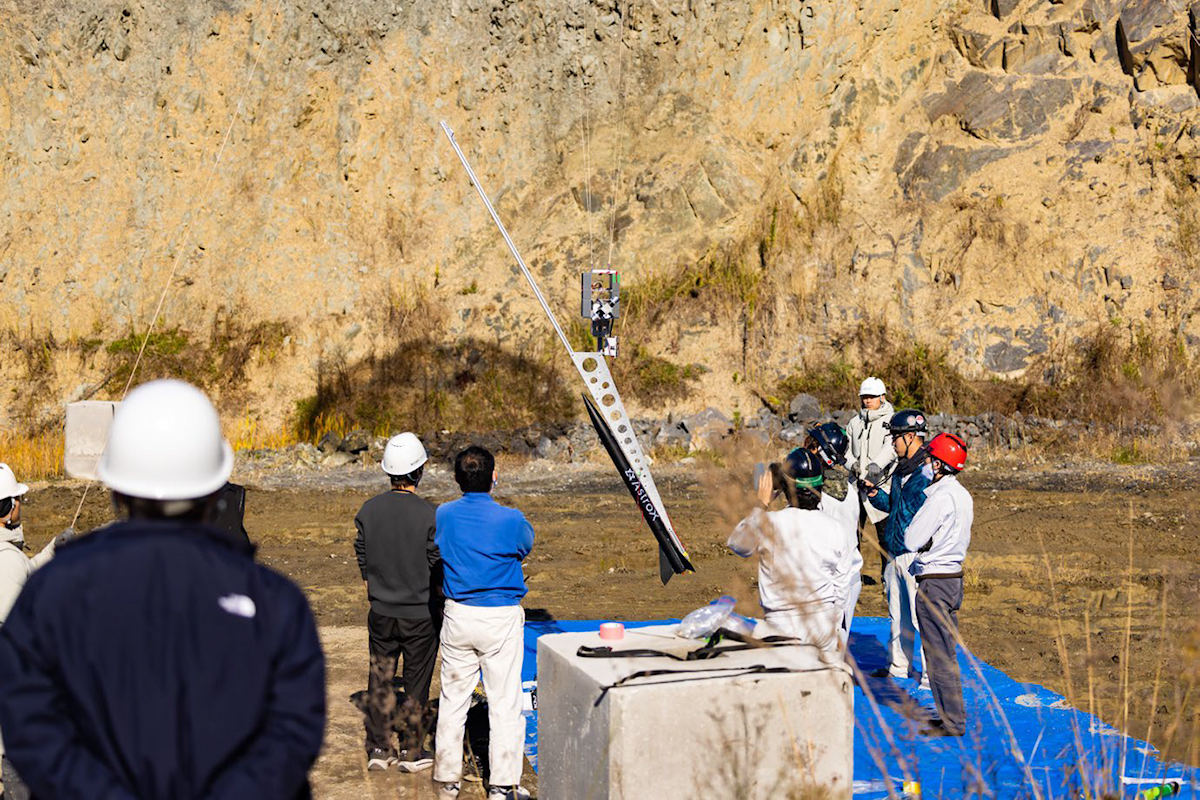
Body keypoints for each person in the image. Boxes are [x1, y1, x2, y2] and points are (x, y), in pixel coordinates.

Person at [0, 379, 326, 800]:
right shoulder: (273, 601)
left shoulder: (51, 594)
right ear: (216, 489)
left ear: (116, 488)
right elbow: (293, 735)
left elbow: (29, 725)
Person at [432, 446, 533, 800]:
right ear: (493, 476)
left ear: (458, 478)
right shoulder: (512, 519)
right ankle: (502, 785)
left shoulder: (444, 514)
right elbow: (525, 546)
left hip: (459, 614)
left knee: (453, 699)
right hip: (500, 616)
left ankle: (447, 780)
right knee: (505, 702)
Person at [354, 432, 441, 772]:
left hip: (381, 611)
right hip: (420, 614)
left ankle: (378, 748)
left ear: (388, 472)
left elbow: (362, 551)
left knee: (380, 677)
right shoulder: (431, 514)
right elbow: (436, 562)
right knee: (416, 682)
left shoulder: (368, 510)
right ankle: (411, 750)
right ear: (419, 471)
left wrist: (371, 581)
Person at [728, 448, 846, 653]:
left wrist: (761, 503)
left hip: (782, 624)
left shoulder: (771, 523)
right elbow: (842, 584)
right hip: (823, 622)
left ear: (786, 488)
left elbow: (739, 545)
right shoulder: (834, 527)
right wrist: (835, 623)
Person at [0, 463, 67, 800]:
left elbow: (23, 573)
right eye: (17, 500)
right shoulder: (7, 560)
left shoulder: (10, 556)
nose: (21, 506)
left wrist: (53, 550)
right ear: (8, 509)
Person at [904, 433, 973, 737]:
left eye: (931, 460)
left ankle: (953, 723)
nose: (927, 465)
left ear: (940, 464)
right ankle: (951, 718)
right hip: (953, 579)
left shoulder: (940, 497)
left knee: (938, 655)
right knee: (945, 650)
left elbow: (911, 539)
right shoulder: (962, 496)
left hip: (934, 581)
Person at [863, 409, 932, 682]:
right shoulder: (901, 469)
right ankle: (898, 667)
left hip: (916, 557)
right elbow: (893, 507)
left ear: (911, 437)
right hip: (894, 553)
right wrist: (874, 494)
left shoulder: (927, 472)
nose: (892, 443)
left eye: (896, 438)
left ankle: (929, 677)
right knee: (897, 617)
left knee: (920, 620)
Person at [804, 423, 862, 648]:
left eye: (814, 444)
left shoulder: (826, 495)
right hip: (842, 576)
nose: (810, 447)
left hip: (836, 579)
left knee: (828, 650)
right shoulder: (843, 484)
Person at [845, 377, 895, 534]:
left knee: (885, 536)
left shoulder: (892, 420)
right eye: (864, 397)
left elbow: (892, 447)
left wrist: (876, 465)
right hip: (856, 487)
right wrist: (851, 464)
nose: (867, 401)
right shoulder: (854, 422)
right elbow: (845, 449)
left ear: (882, 397)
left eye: (871, 397)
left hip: (881, 487)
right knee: (852, 536)